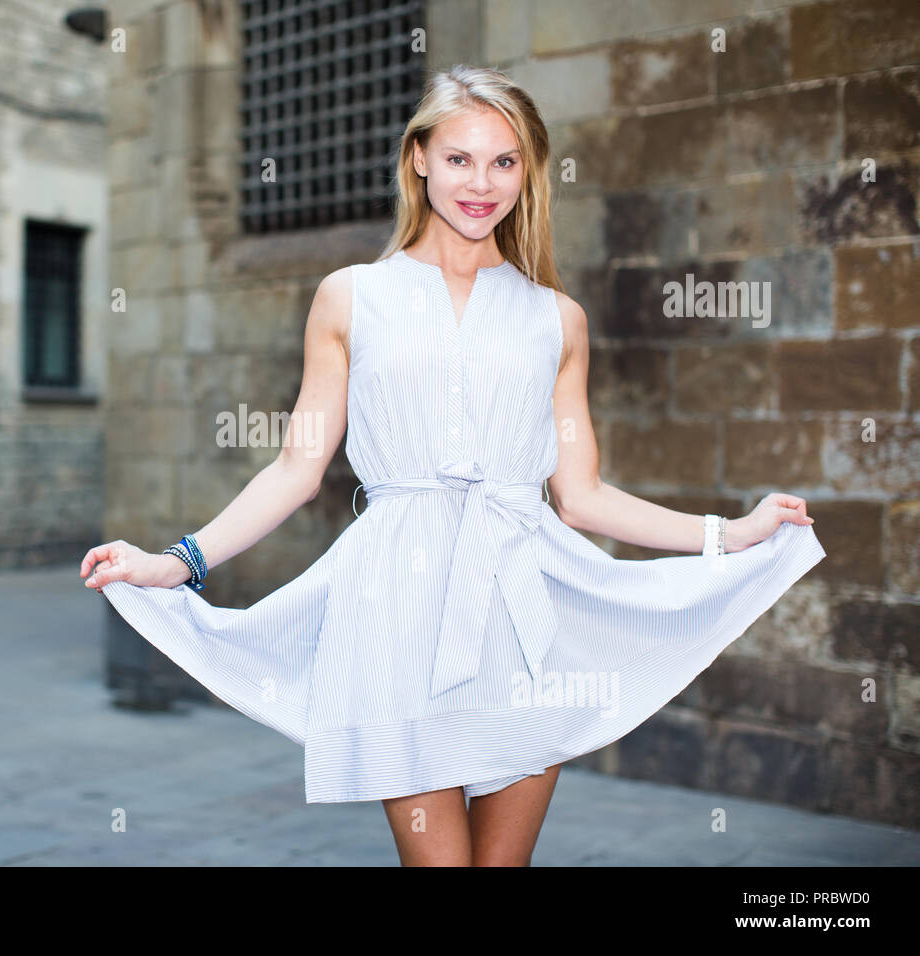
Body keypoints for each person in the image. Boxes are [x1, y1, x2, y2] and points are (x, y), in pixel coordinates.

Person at [78, 64, 825, 866]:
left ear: (528, 172)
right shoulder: (351, 297)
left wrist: (730, 534)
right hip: (394, 615)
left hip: (521, 616)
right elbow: (295, 470)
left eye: (505, 161)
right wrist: (176, 561)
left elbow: (582, 496)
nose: (482, 183)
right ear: (421, 159)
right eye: (461, 157)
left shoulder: (556, 319)